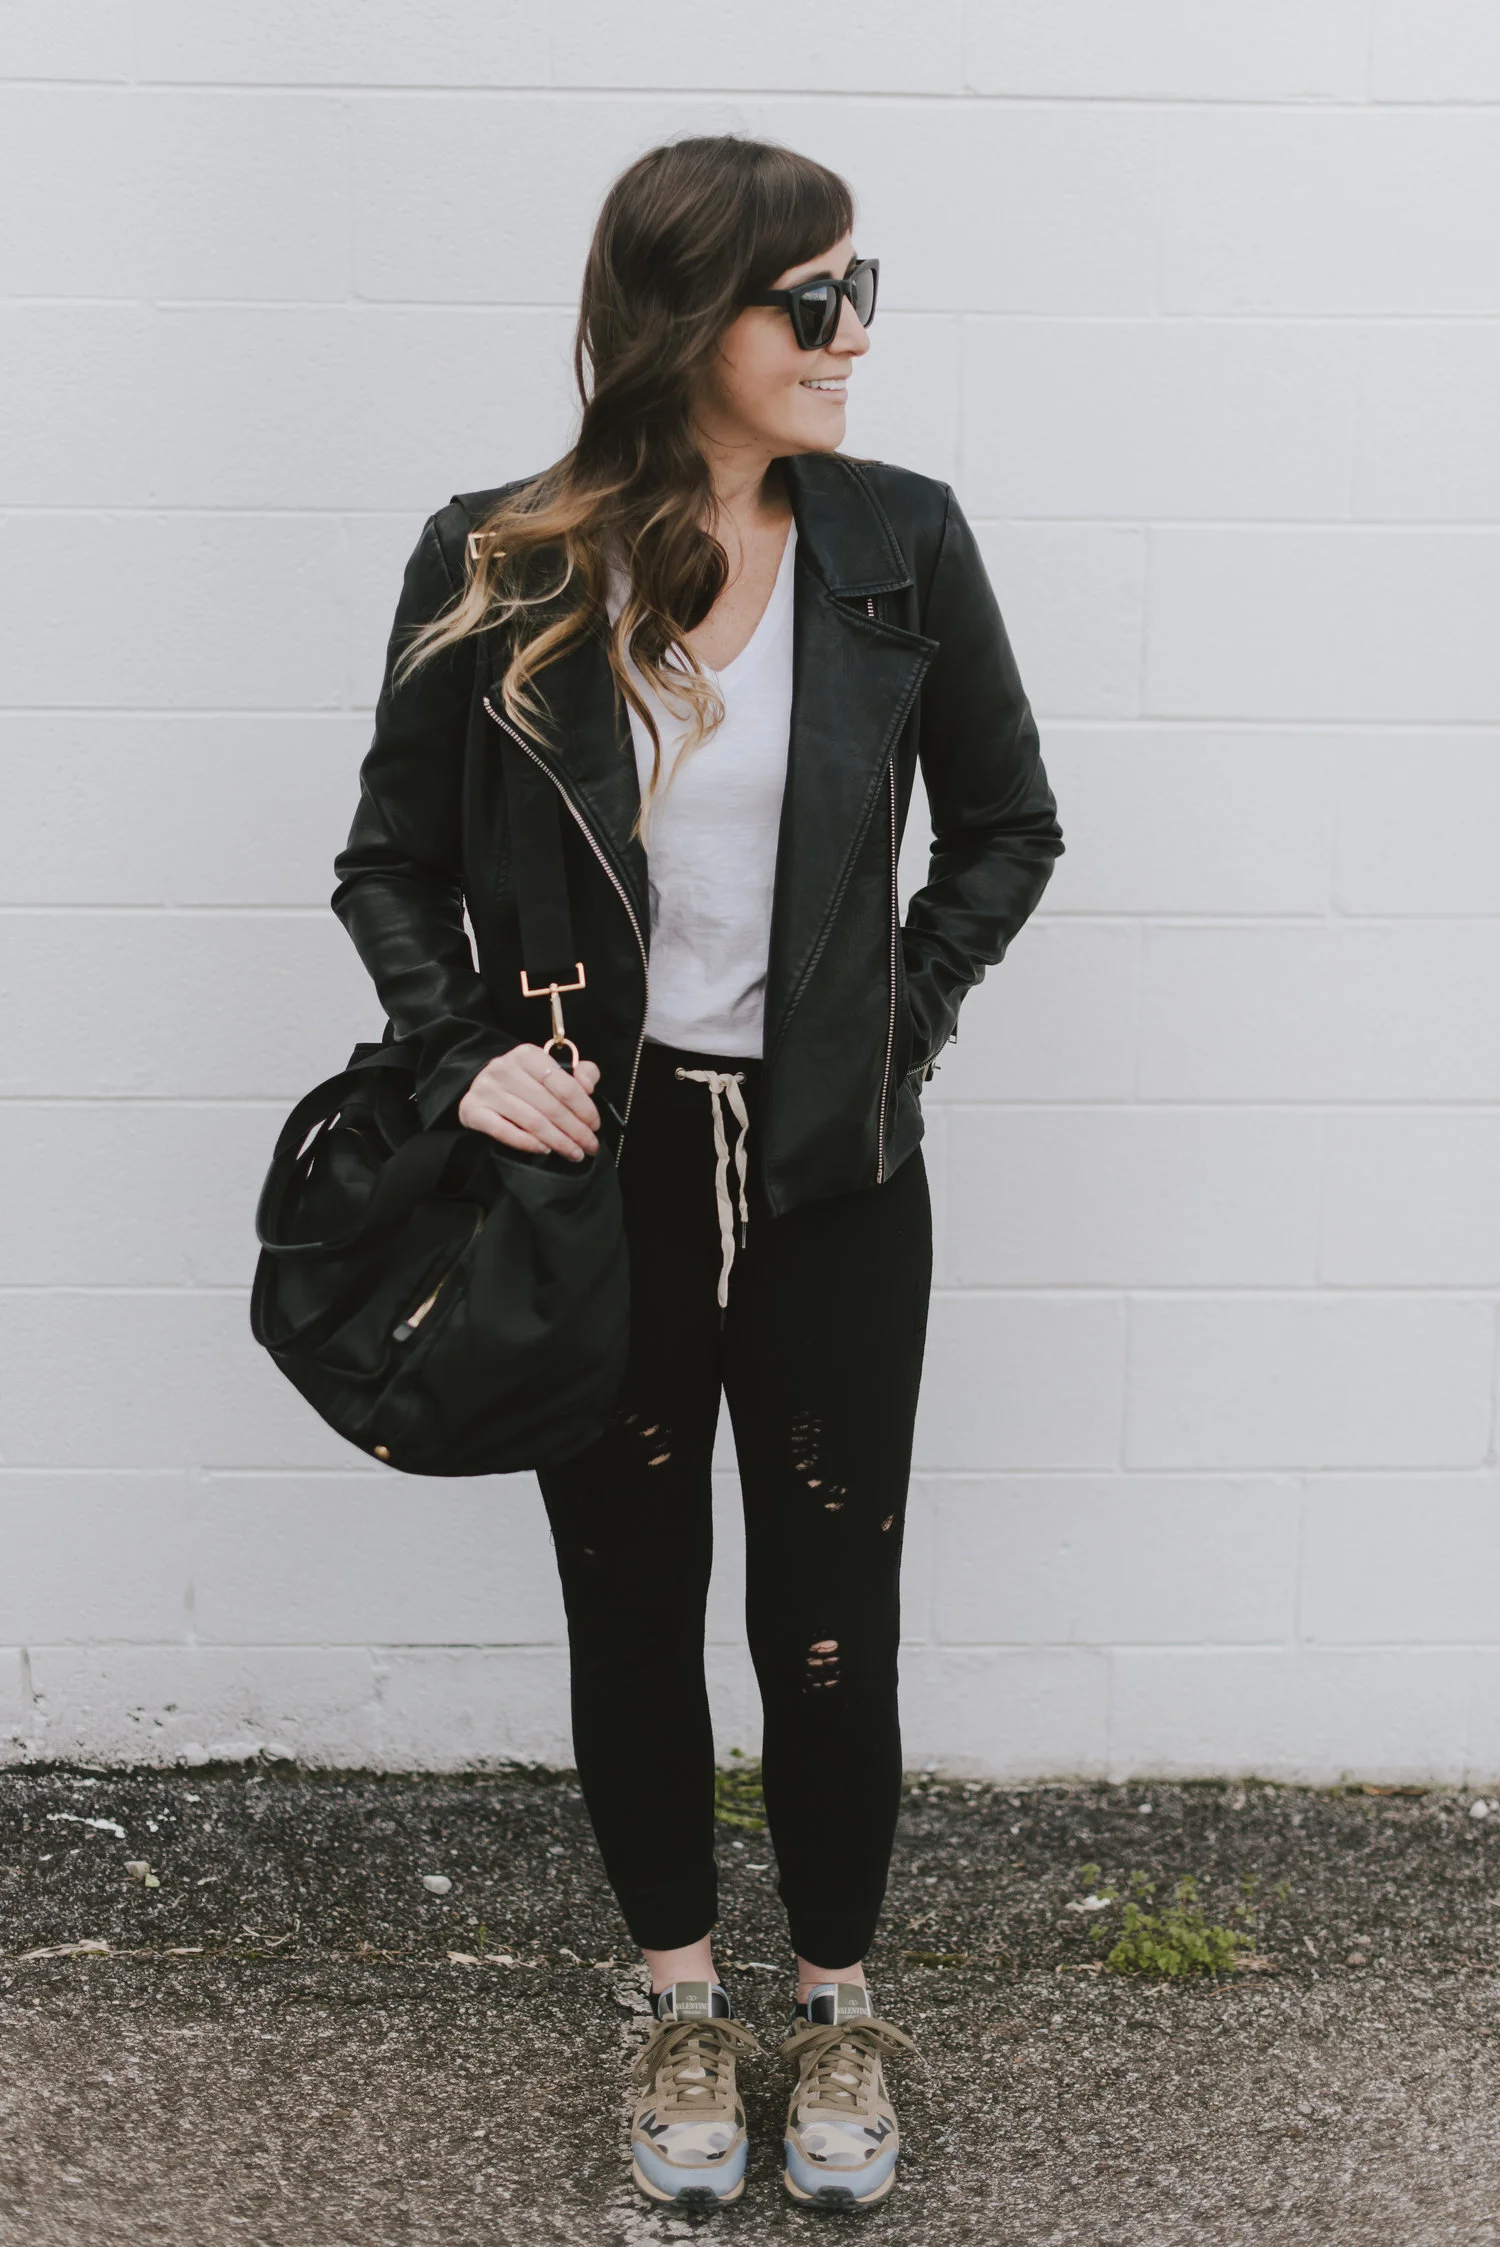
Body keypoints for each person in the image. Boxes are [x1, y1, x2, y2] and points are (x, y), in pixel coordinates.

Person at [332, 133, 1063, 2211]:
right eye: (810, 302)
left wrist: (884, 1022)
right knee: (634, 1605)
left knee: (831, 1615)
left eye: (862, 290)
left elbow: (1009, 829)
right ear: (687, 323)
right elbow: (387, 861)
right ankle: (678, 1997)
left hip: (834, 1174)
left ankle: (832, 2009)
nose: (852, 336)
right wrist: (470, 1058)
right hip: (607, 1179)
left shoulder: (901, 541)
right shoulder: (502, 558)